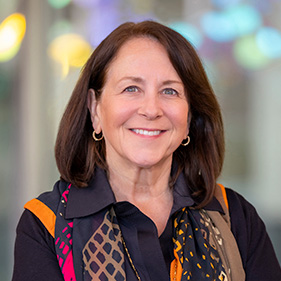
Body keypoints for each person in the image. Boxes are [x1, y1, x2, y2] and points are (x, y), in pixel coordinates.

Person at [12, 21, 281, 281]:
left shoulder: (235, 217)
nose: (151, 110)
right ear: (95, 109)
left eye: (170, 91)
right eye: (131, 88)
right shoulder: (46, 225)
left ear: (189, 117)